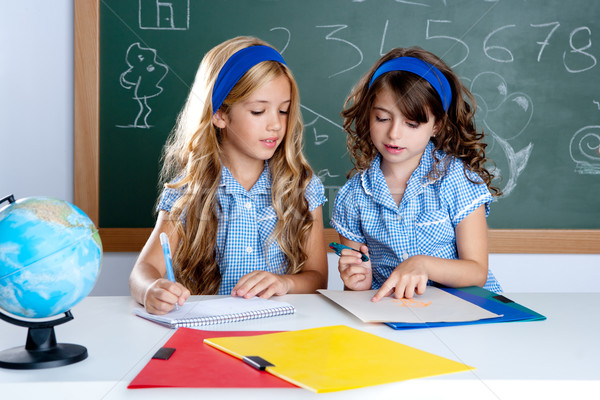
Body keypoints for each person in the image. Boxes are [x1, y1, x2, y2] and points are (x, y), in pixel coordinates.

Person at [130, 36, 328, 314]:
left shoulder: (302, 188)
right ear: (220, 114)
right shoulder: (188, 190)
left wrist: (285, 283)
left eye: (283, 111)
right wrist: (151, 288)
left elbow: (318, 277)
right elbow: (144, 270)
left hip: (282, 334)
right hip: (208, 335)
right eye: (258, 111)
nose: (275, 125)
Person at [331, 47, 503, 302]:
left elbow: (477, 271)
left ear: (437, 125)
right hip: (394, 314)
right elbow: (356, 291)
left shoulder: (457, 179)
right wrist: (357, 283)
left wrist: (423, 264)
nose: (394, 134)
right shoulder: (353, 196)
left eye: (411, 124)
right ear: (369, 116)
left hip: (464, 309)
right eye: (382, 118)